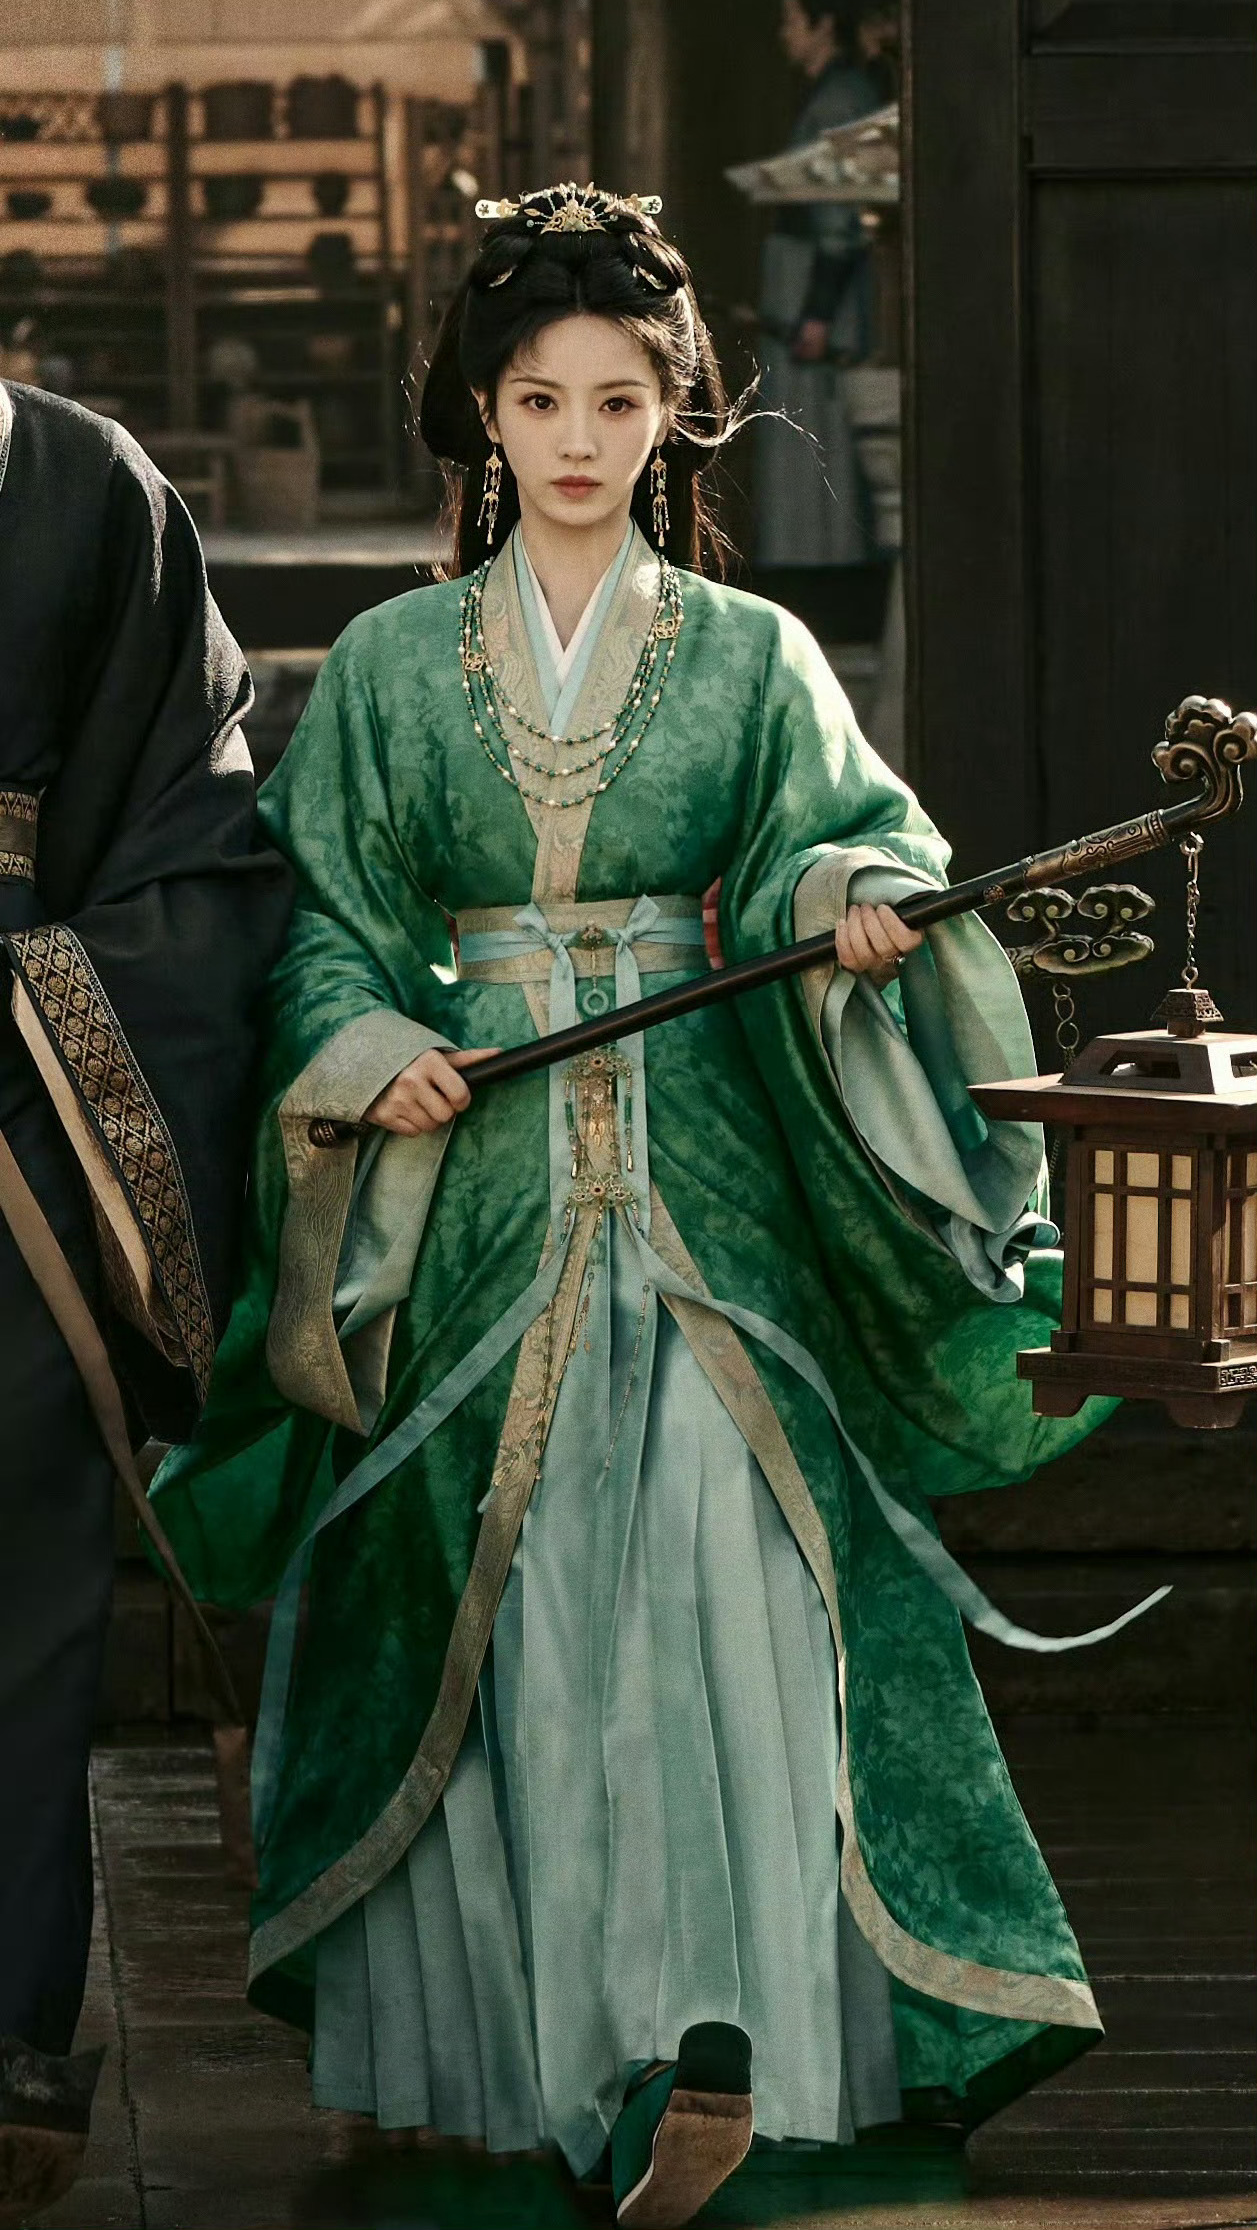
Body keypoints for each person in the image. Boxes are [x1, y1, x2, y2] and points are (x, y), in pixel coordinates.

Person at [150, 185, 1141, 2228]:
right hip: (479, 1188)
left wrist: (849, 907)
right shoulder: (394, 665)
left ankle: (715, 2030)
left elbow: (834, 840)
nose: (578, 439)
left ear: (676, 409)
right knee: (511, 1597)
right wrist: (368, 1046)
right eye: (539, 400)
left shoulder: (755, 654)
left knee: (729, 1567)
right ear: (482, 417)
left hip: (705, 1179)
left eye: (617, 399)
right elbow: (325, 921)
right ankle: (545, 2049)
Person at [0, 379, 291, 2224]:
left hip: (15, 1127)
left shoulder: (75, 481)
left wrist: (45, 1037)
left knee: (22, 1599)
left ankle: (5, 2028)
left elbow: (195, 833)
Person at [754, 0, 884, 569]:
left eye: (792, 20)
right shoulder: (830, 95)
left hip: (817, 285)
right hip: (802, 275)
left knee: (817, 426)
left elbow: (841, 219)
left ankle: (825, 562)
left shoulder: (840, 100)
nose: (785, 32)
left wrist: (818, 312)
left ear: (823, 24)